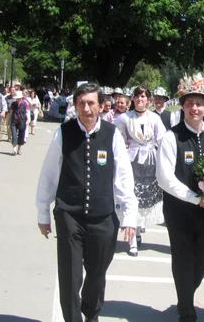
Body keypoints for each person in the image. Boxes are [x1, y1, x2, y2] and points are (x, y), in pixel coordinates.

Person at [36, 83, 138, 322]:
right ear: (75, 106)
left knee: (97, 273)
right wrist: (43, 211)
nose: (86, 108)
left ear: (101, 105)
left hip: (103, 218)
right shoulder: (64, 132)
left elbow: (124, 177)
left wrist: (129, 217)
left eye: (91, 103)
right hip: (69, 215)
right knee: (70, 276)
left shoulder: (112, 134)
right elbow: (49, 174)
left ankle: (91, 315)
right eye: (81, 103)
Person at [156, 73, 204, 322]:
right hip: (179, 212)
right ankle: (186, 309)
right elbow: (164, 178)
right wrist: (196, 198)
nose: (194, 108)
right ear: (182, 106)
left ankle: (185, 294)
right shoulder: (171, 137)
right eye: (189, 103)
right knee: (183, 258)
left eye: (199, 103)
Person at [113, 86, 166, 256]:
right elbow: (118, 141)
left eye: (143, 96)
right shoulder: (124, 118)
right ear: (133, 99)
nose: (140, 99)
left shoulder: (155, 119)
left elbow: (162, 139)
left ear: (149, 100)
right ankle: (132, 239)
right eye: (137, 96)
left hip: (150, 162)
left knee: (144, 199)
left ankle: (138, 227)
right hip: (131, 161)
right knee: (131, 196)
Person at [9, 91, 29, 155]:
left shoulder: (25, 104)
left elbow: (27, 112)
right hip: (14, 121)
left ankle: (19, 149)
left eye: (19, 98)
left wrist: (28, 120)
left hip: (22, 121)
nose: (18, 99)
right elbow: (11, 113)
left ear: (21, 98)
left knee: (21, 136)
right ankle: (14, 149)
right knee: (14, 136)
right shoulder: (13, 104)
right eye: (17, 98)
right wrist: (9, 120)